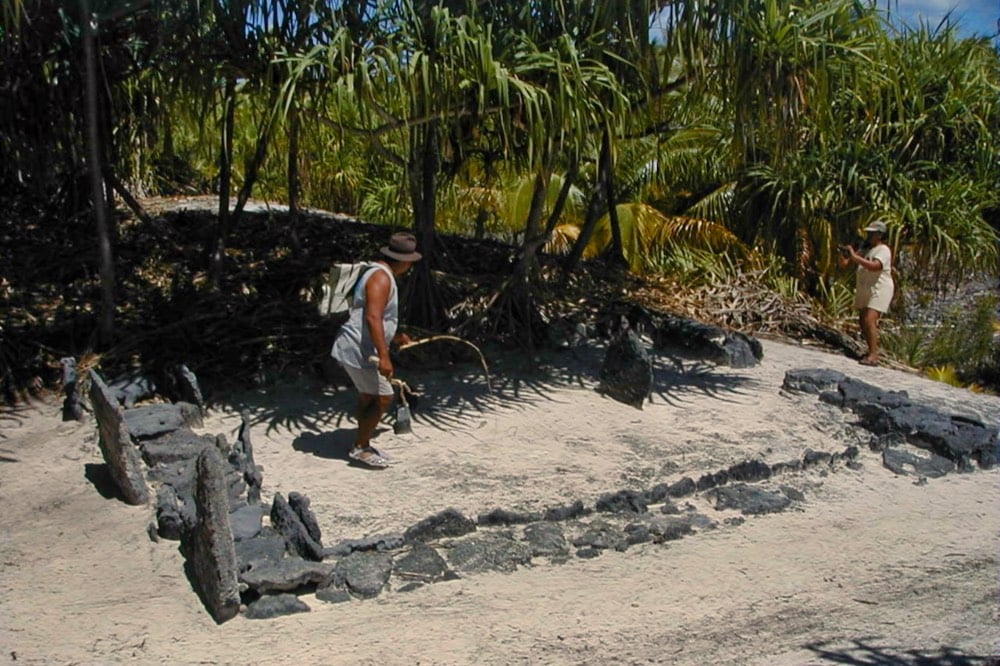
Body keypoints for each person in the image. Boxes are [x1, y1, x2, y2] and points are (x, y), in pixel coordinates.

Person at [331, 232, 421, 468]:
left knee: (368, 395)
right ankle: (360, 447)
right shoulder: (381, 278)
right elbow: (373, 317)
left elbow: (373, 316)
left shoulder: (378, 273)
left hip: (357, 346)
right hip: (359, 349)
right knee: (383, 396)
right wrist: (384, 356)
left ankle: (363, 440)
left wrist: (394, 338)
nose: (410, 266)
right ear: (403, 260)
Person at [839, 219, 894, 366]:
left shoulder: (883, 250)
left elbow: (875, 266)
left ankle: (874, 355)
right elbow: (845, 265)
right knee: (862, 320)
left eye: (872, 233)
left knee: (870, 319)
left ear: (880, 235)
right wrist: (845, 254)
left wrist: (855, 257)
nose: (869, 236)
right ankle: (870, 350)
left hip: (879, 288)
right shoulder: (864, 250)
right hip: (865, 288)